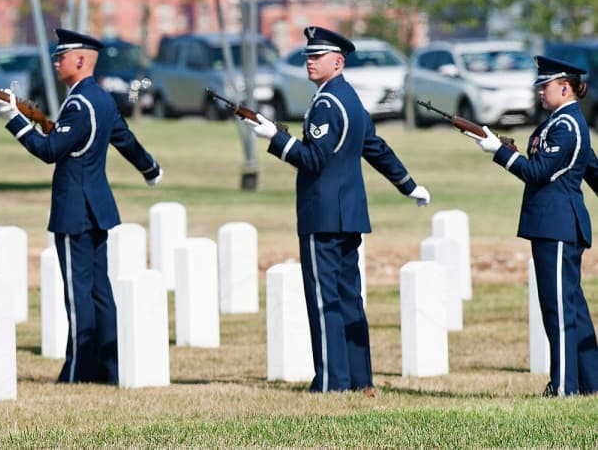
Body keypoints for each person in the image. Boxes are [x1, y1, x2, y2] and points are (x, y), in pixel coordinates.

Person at [244, 26, 430, 394]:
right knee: (348, 299)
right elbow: (376, 147)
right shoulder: (351, 99)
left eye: (317, 57)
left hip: (322, 215)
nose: (309, 62)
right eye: (308, 56)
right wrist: (408, 184)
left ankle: (332, 381)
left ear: (338, 61)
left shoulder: (328, 103)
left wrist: (275, 138)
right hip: (348, 215)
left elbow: (313, 159)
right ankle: (360, 379)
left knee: (325, 299)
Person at [0, 28, 162, 384]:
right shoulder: (101, 99)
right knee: (100, 292)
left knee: (78, 293)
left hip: (74, 210)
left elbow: (49, 151)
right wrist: (150, 168)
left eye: (61, 56)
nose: (55, 62)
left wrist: (13, 118)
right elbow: (125, 140)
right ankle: (109, 368)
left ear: (80, 60)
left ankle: (79, 371)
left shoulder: (79, 104)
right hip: (97, 207)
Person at [467, 55, 598, 396]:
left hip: (558, 227)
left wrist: (499, 152)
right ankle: (590, 382)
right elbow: (591, 168)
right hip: (552, 226)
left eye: (546, 85)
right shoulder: (560, 122)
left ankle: (565, 387)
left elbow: (538, 172)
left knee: (559, 311)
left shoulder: (567, 126)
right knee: (572, 309)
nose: (540, 91)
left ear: (565, 88)